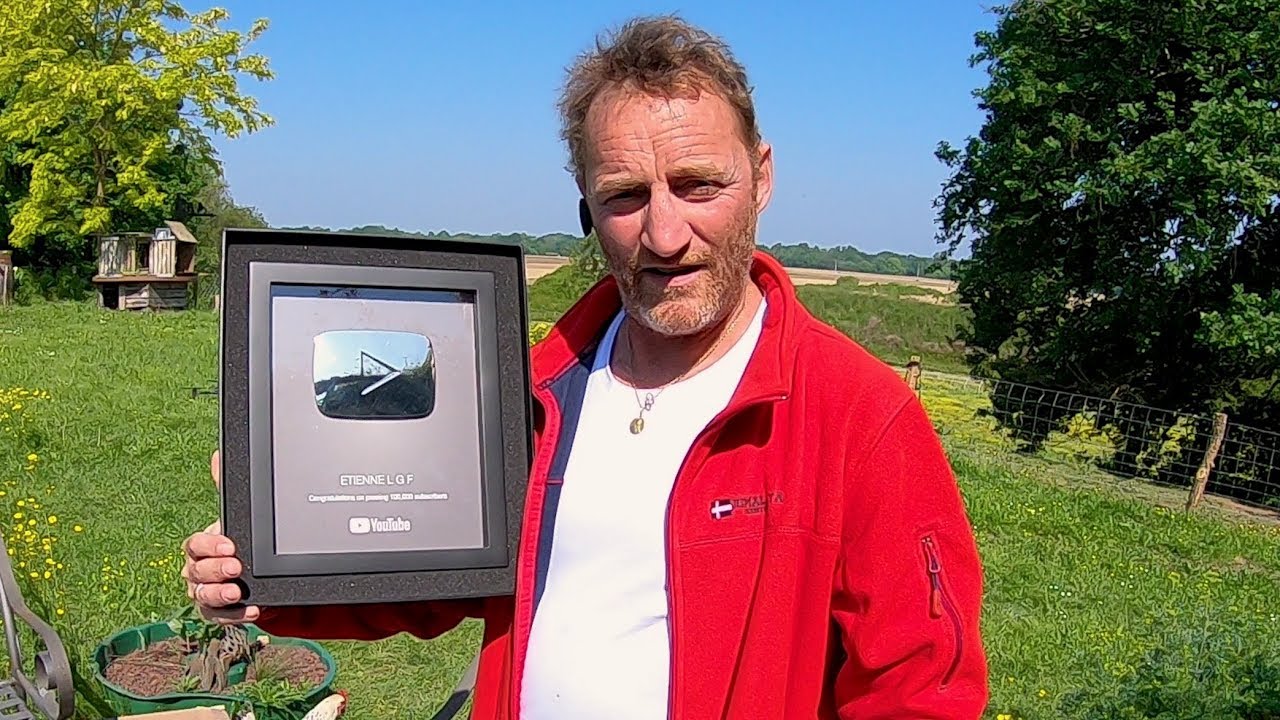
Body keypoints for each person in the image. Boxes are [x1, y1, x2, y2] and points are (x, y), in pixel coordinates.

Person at [182, 14, 989, 719]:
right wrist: (266, 579)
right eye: (625, 196)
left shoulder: (859, 416)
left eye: (699, 185)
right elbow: (433, 571)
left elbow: (921, 686)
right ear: (586, 207)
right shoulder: (534, 390)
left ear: (762, 177)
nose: (665, 234)